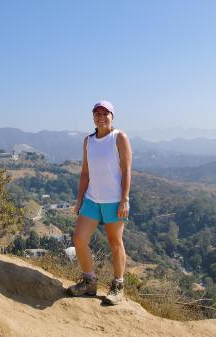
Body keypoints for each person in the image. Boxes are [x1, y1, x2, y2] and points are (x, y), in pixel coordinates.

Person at [67, 100, 132, 305]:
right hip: (92, 200)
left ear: (112, 116)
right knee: (79, 239)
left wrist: (125, 199)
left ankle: (118, 286)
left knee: (115, 243)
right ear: (93, 116)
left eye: (106, 113)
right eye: (97, 113)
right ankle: (89, 281)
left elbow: (127, 170)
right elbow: (85, 173)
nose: (101, 117)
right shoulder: (88, 141)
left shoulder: (119, 137)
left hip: (114, 201)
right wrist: (79, 200)